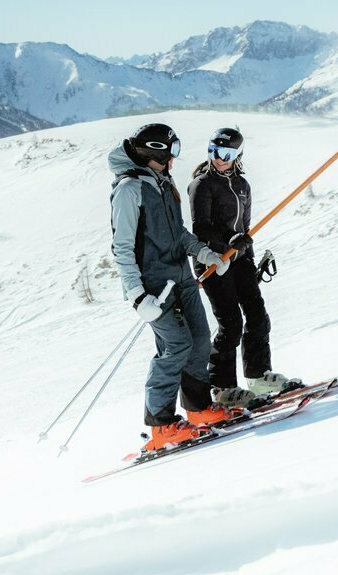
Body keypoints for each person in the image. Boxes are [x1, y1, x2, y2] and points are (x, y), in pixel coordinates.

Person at [108, 122, 238, 451]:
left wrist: (205, 253)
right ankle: (161, 424)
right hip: (153, 286)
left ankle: (198, 409)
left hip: (181, 276)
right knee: (175, 346)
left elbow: (178, 232)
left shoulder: (163, 181)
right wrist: (138, 297)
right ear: (152, 153)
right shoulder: (129, 189)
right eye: (171, 152)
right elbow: (122, 248)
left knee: (200, 340)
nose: (174, 159)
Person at [188, 127, 292, 407]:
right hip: (213, 261)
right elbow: (200, 227)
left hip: (240, 260)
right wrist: (227, 242)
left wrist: (248, 257)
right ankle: (223, 388)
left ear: (238, 155)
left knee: (258, 316)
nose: (218, 158)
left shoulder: (242, 185)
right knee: (231, 324)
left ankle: (258, 375)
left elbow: (245, 229)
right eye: (213, 151)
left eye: (225, 153)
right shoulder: (202, 184)